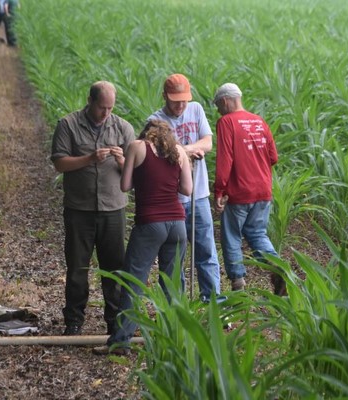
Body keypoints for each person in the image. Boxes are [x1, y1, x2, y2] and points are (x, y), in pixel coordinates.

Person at [93, 119, 192, 355]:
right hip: (178, 224)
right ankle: (173, 337)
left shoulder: (137, 146)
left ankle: (121, 342)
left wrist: (129, 166)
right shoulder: (179, 151)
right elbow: (187, 190)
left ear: (147, 133)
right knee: (173, 283)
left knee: (134, 282)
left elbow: (126, 185)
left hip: (150, 223)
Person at [51, 81, 135, 336]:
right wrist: (89, 158)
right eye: (101, 107)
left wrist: (123, 161)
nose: (106, 113)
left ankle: (115, 321)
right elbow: (60, 163)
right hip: (79, 209)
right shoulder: (68, 125)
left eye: (110, 108)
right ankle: (74, 320)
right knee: (78, 267)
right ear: (90, 101)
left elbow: (134, 173)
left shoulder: (123, 127)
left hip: (113, 208)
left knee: (114, 268)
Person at [147, 73, 221, 302]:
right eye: (175, 100)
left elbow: (207, 142)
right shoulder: (155, 121)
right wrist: (188, 150)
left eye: (184, 100)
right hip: (172, 199)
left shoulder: (196, 110)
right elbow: (158, 155)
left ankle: (213, 302)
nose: (181, 105)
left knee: (206, 250)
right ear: (164, 97)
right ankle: (175, 306)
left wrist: (181, 149)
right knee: (173, 255)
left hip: (198, 195)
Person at [212, 83, 286, 295]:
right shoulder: (259, 121)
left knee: (231, 235)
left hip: (240, 192)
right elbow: (273, 157)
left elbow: (225, 158)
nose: (218, 110)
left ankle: (238, 282)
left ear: (225, 101)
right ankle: (278, 268)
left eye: (218, 105)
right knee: (257, 232)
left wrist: (219, 189)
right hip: (263, 189)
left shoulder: (226, 122)